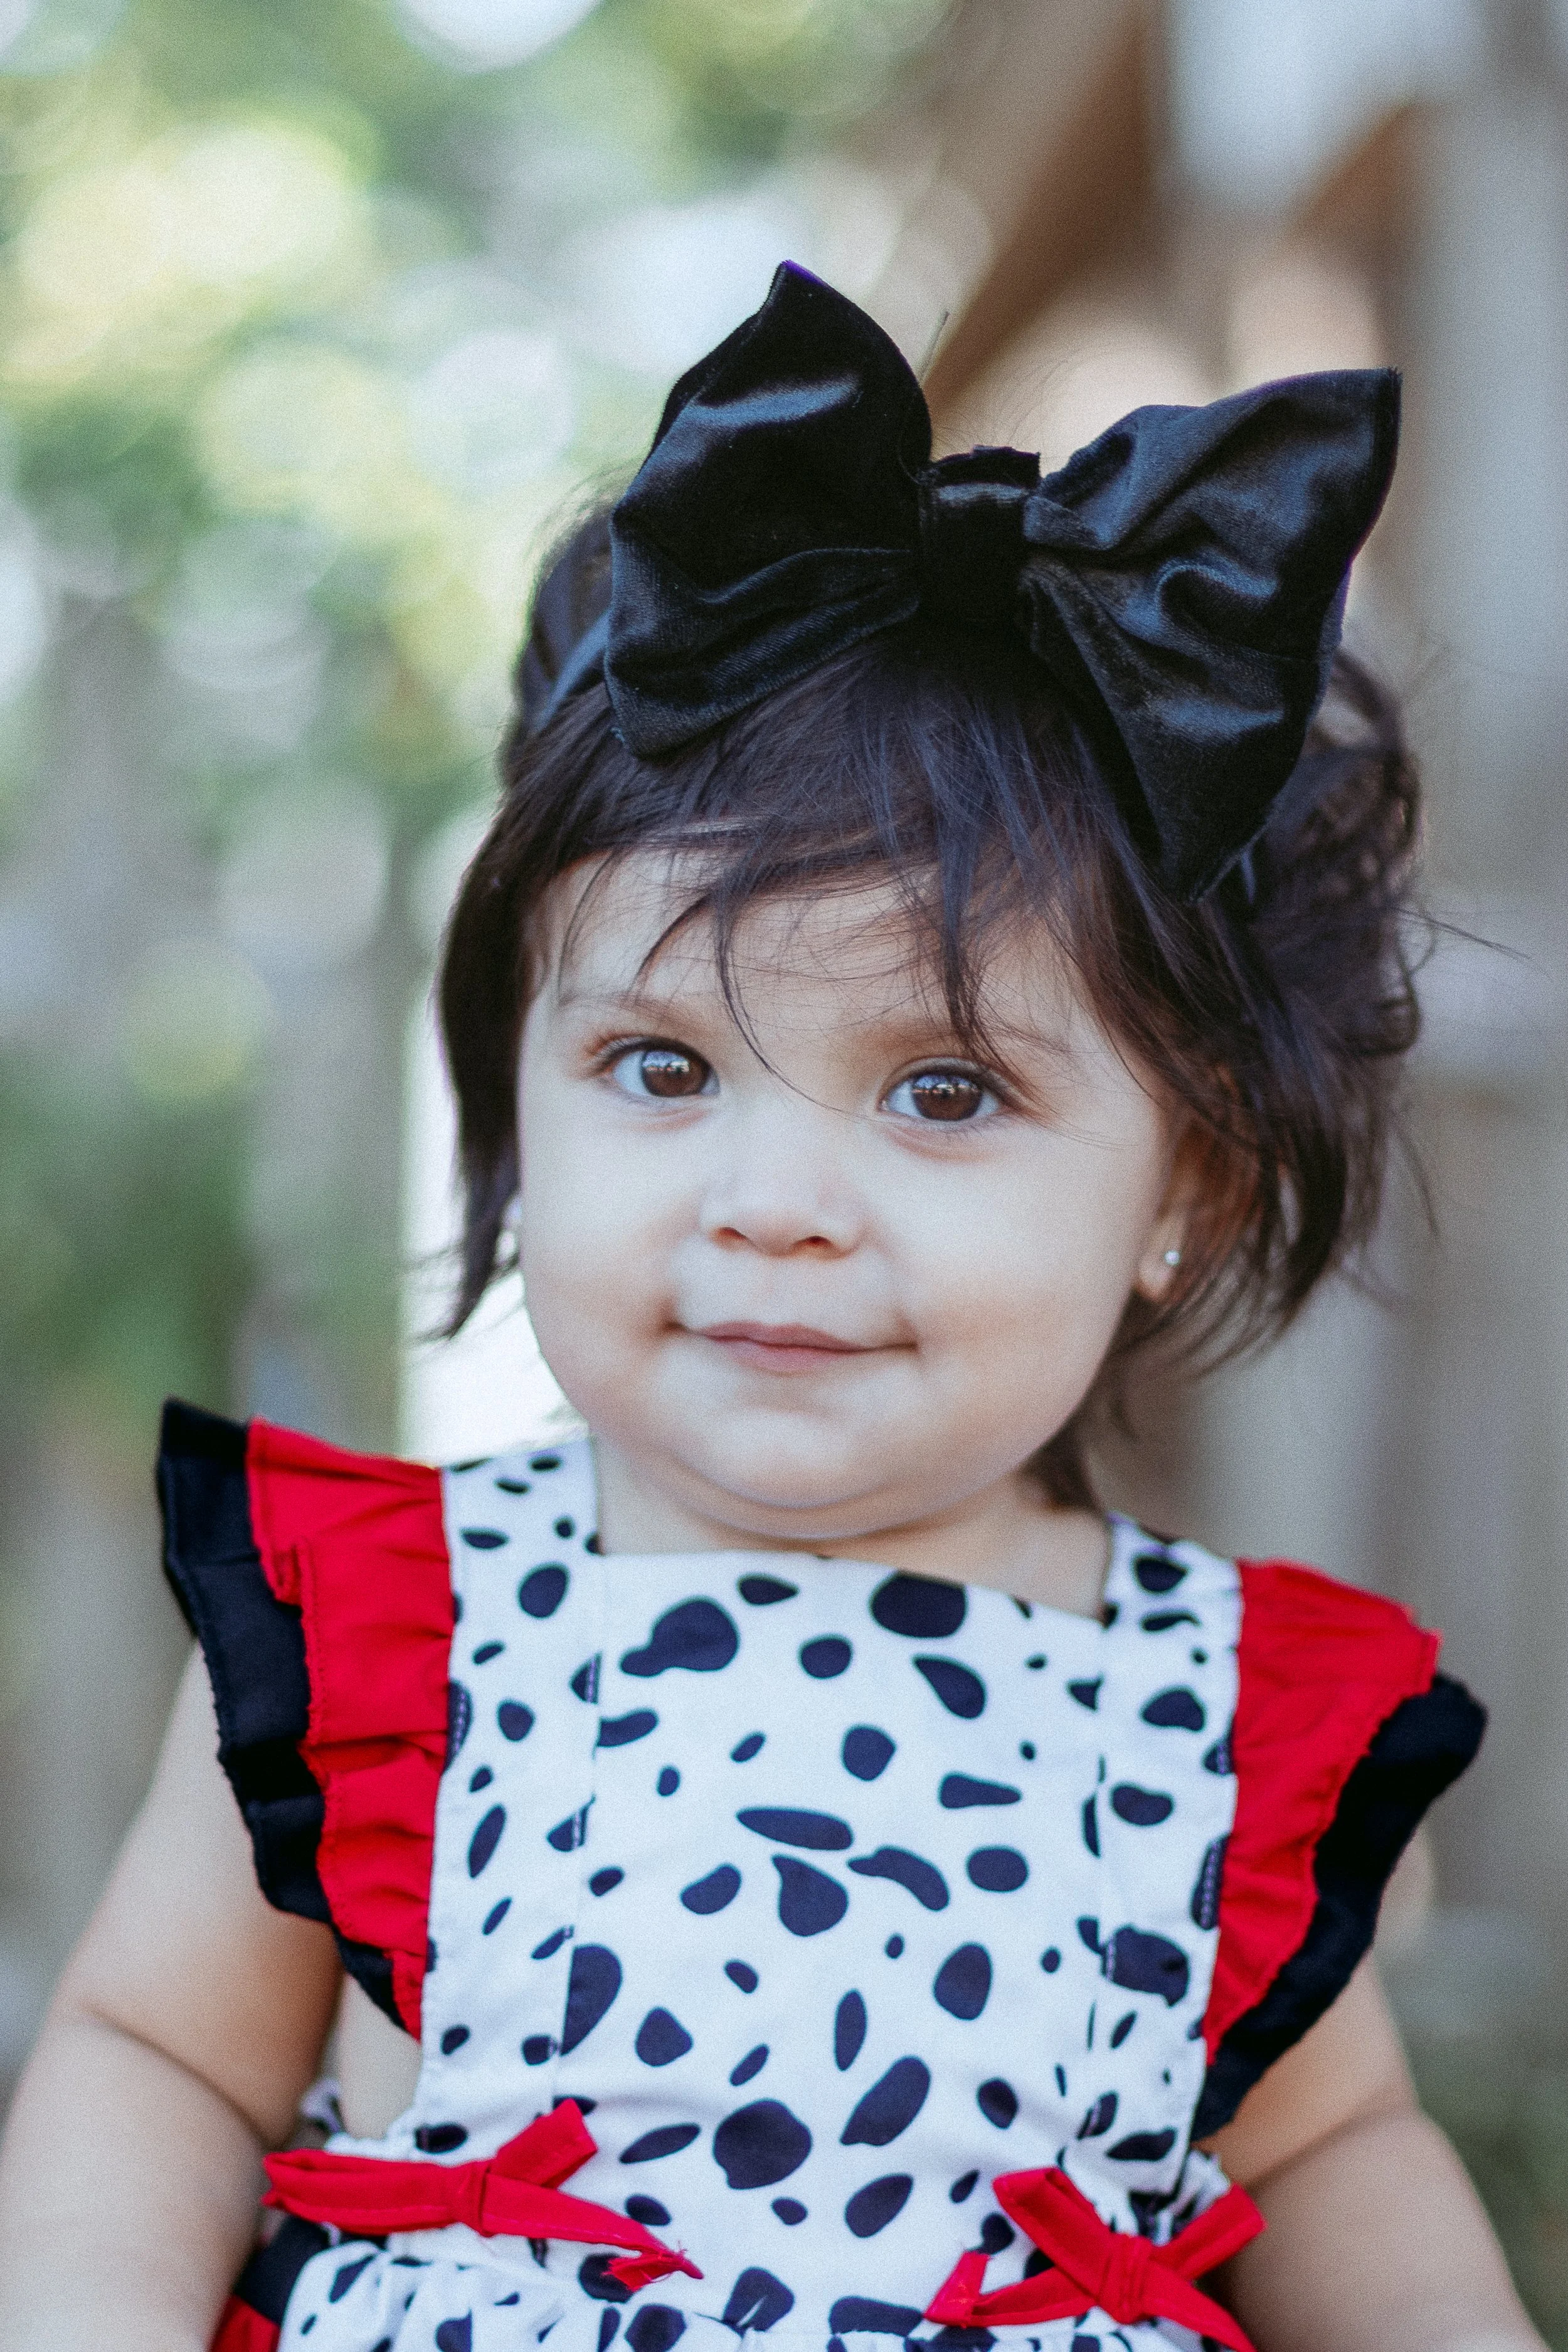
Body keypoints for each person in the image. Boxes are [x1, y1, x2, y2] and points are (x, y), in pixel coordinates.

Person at [0, 263, 1538, 2352]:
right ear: (517, 1093)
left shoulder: (1226, 1721)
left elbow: (1334, 2156)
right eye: (661, 1067)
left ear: (1186, 1182)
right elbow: (159, 2056)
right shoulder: (379, 1628)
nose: (778, 1205)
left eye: (943, 1089)